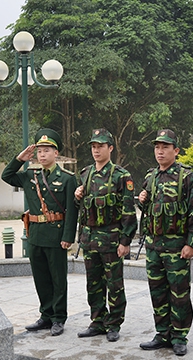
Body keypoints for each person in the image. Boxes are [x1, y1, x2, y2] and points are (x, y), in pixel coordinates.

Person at [1, 128, 79, 337]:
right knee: (41, 278)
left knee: (58, 279)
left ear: (56, 153)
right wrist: (19, 159)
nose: (42, 154)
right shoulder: (29, 175)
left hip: (56, 235)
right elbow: (6, 175)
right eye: (39, 151)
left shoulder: (68, 179)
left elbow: (72, 210)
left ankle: (58, 318)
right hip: (35, 234)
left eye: (47, 150)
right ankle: (46, 315)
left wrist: (68, 237)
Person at [137, 129, 193, 356]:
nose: (160, 151)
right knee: (157, 292)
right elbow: (150, 212)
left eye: (165, 147)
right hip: (154, 247)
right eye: (157, 147)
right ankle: (162, 333)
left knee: (179, 293)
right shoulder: (151, 177)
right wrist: (142, 201)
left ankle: (179, 336)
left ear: (176, 150)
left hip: (176, 247)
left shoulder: (187, 178)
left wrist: (191, 244)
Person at [74, 129, 138, 342]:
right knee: (93, 282)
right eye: (93, 146)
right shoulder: (85, 173)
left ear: (110, 148)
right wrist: (77, 196)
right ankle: (97, 321)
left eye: (101, 146)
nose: (96, 150)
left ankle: (114, 324)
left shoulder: (121, 176)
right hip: (90, 238)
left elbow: (129, 211)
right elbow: (83, 207)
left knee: (114, 284)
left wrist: (125, 241)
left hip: (111, 238)